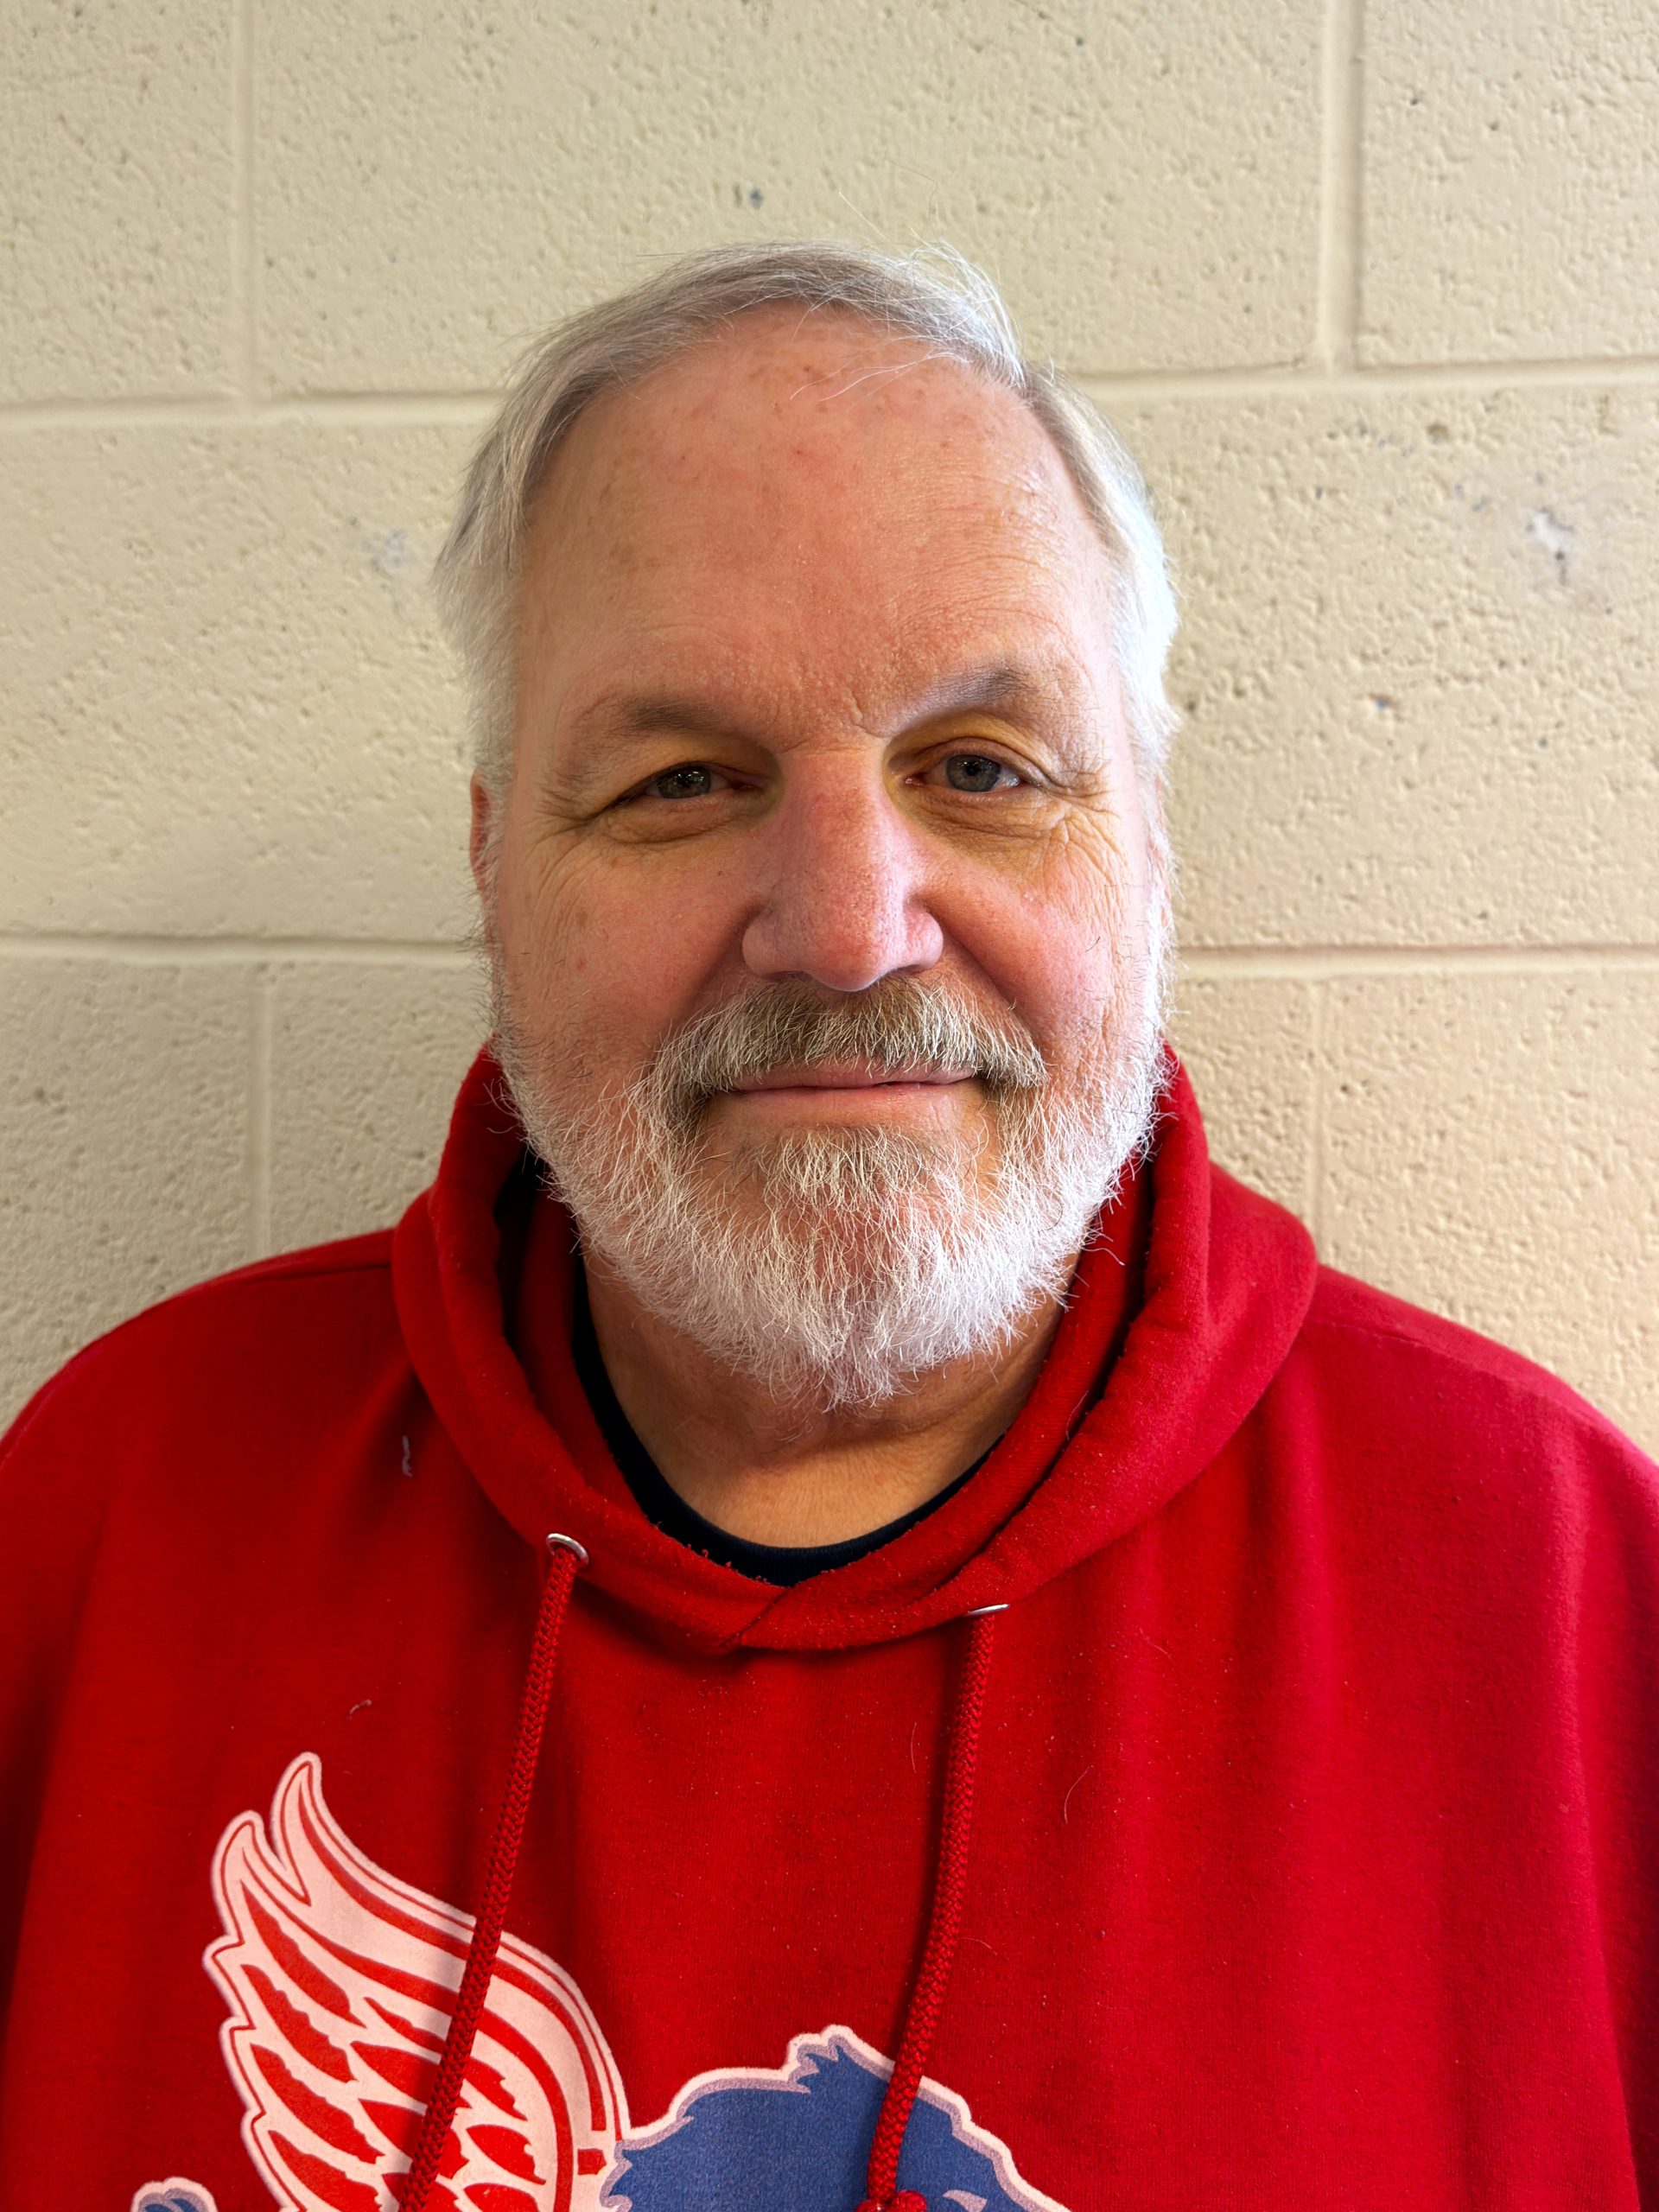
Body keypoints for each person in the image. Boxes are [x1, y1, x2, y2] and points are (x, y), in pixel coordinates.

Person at [0, 242, 1654, 2212]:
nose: (851, 928)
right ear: (495, 862)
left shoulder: (1562, 1599)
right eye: (684, 781)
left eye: (984, 770)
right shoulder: (103, 1518)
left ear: (1149, 847)